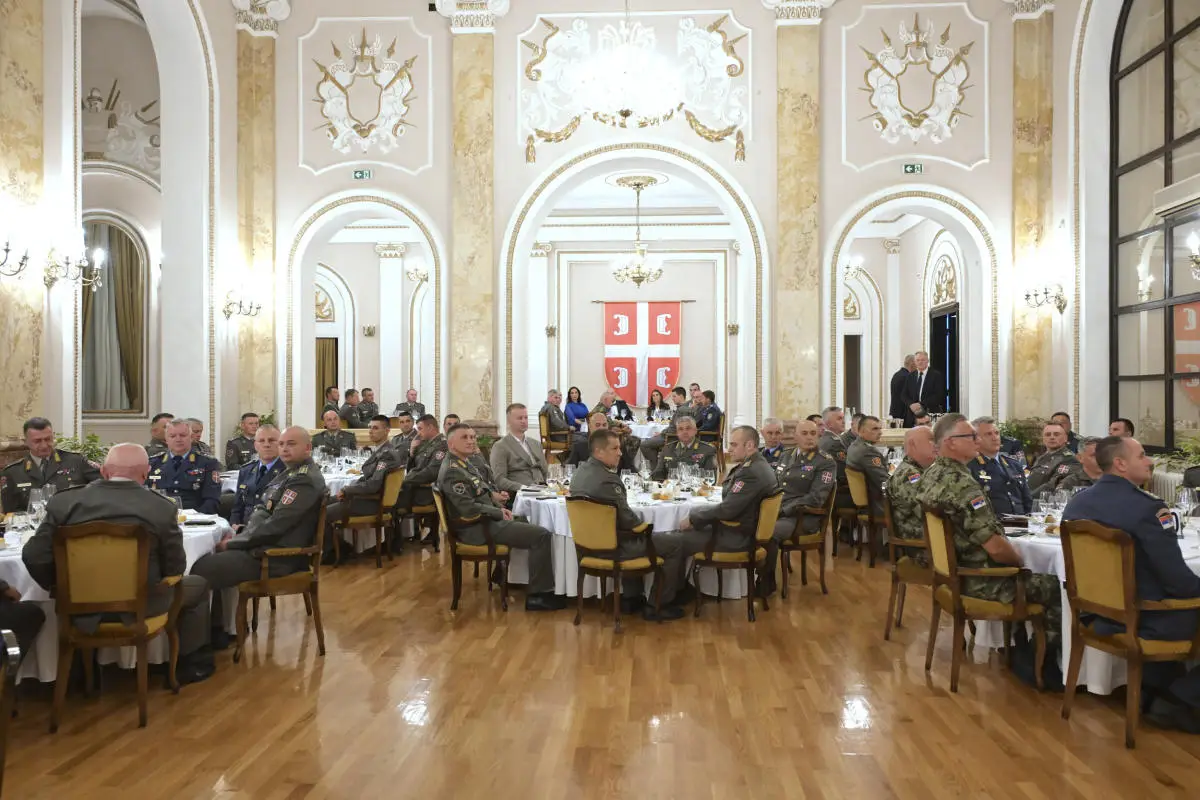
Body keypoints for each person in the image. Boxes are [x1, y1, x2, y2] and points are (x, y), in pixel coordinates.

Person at [24, 443, 213, 682]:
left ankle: (80, 672)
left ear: (103, 471)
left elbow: (34, 555)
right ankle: (189, 665)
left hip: (78, 608)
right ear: (145, 474)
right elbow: (175, 568)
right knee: (198, 585)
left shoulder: (64, 503)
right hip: (144, 608)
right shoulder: (161, 507)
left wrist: (61, 588)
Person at [1063, 436, 1200, 733]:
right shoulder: (1147, 509)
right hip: (1145, 619)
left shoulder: (1077, 503)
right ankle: (1179, 699)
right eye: (1142, 456)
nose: (1149, 461)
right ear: (1120, 464)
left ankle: (1155, 691)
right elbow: (1177, 582)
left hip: (1096, 615)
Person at [917, 414, 1062, 639]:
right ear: (950, 443)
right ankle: (1041, 653)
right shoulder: (963, 484)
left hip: (951, 575)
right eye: (970, 436)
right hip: (981, 580)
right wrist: (1022, 562)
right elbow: (996, 548)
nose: (977, 440)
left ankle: (1018, 645)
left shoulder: (931, 474)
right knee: (1060, 586)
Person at [190, 427, 327, 642]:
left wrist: (234, 543)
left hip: (277, 557)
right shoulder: (291, 473)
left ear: (308, 448)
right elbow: (264, 510)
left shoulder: (304, 480)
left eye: (291, 444)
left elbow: (276, 525)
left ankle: (198, 644)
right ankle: (217, 631)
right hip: (263, 548)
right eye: (282, 444)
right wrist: (242, 534)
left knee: (200, 570)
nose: (284, 449)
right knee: (208, 562)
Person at [437, 424, 566, 611]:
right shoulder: (453, 470)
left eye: (472, 437)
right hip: (476, 528)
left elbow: (478, 491)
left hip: (485, 520)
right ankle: (538, 596)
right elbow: (467, 509)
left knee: (527, 521)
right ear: (451, 444)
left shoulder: (463, 463)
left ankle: (502, 575)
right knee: (541, 535)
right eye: (465, 437)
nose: (471, 441)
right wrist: (498, 512)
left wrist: (495, 500)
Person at [569, 429, 687, 621]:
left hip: (587, 546)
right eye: (615, 448)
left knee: (629, 533)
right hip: (614, 549)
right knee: (675, 542)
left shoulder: (580, 472)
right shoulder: (608, 480)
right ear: (599, 452)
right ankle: (658, 604)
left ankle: (631, 597)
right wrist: (646, 528)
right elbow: (629, 520)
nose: (620, 453)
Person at [678, 427, 777, 574]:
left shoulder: (750, 472)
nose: (729, 449)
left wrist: (693, 518)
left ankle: (674, 588)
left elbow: (727, 510)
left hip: (737, 538)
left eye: (734, 445)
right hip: (743, 531)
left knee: (671, 541)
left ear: (749, 445)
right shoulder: (758, 464)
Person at [758, 419, 835, 595]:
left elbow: (816, 498)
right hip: (780, 512)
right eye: (805, 433)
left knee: (768, 533)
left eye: (813, 433)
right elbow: (775, 486)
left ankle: (766, 581)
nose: (809, 437)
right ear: (795, 436)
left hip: (803, 517)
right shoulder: (787, 455)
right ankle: (748, 577)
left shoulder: (825, 462)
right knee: (749, 524)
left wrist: (783, 510)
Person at [326, 416, 405, 556]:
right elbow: (368, 478)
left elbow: (373, 485)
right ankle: (337, 547)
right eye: (370, 427)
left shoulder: (387, 454)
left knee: (324, 513)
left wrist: (347, 490)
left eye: (375, 428)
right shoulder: (381, 450)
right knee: (323, 501)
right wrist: (350, 490)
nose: (370, 431)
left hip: (373, 503)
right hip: (366, 498)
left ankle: (334, 552)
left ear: (387, 431)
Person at [1, 417, 100, 513]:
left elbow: (102, 487)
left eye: (48, 439)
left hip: (72, 522)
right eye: (37, 441)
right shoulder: (12, 472)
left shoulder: (76, 461)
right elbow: (11, 514)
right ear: (26, 442)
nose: (44, 445)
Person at [885, 425, 938, 567]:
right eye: (931, 440)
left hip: (930, 538)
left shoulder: (917, 470)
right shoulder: (909, 475)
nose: (936, 445)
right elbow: (929, 513)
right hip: (922, 546)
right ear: (913, 444)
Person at [146, 419, 222, 514]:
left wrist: (197, 517)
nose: (178, 439)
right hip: (161, 517)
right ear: (166, 439)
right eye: (172, 436)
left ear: (191, 437)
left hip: (197, 518)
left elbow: (212, 499)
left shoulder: (207, 463)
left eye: (182, 435)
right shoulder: (154, 463)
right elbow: (145, 496)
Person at [398, 414, 448, 544]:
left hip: (426, 492)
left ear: (430, 427)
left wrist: (405, 480)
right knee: (389, 495)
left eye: (420, 429)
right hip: (415, 487)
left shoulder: (442, 445)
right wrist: (412, 451)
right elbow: (413, 467)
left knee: (389, 500)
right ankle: (402, 535)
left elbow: (431, 472)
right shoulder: (424, 443)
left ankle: (395, 540)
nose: (418, 433)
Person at [971, 416, 1033, 516]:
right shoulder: (971, 467)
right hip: (993, 522)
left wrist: (1029, 521)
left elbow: (1027, 500)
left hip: (1022, 522)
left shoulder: (1014, 465)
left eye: (996, 433)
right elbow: (975, 503)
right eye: (988, 434)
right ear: (976, 439)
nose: (994, 437)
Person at [230, 425, 286, 530]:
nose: (266, 444)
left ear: (280, 444)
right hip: (242, 530)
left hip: (267, 531)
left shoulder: (287, 471)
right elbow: (237, 507)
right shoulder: (246, 471)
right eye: (261, 441)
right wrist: (234, 525)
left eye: (271, 440)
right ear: (255, 445)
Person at [490, 403, 549, 494]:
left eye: (526, 418)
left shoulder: (536, 444)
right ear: (509, 421)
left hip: (543, 492)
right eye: (519, 418)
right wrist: (524, 488)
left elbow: (545, 472)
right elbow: (499, 480)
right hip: (519, 494)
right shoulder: (500, 446)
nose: (524, 421)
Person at [639, 387, 693, 464]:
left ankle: (656, 467)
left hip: (671, 437)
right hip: (668, 434)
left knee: (644, 445)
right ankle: (657, 467)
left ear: (681, 396)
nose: (672, 399)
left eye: (674, 396)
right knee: (651, 443)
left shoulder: (682, 409)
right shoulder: (683, 408)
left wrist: (663, 433)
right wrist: (662, 432)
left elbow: (676, 428)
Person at [846, 416, 888, 515]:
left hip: (869, 503)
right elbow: (883, 481)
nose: (880, 432)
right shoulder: (868, 451)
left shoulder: (854, 446)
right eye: (875, 429)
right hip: (878, 504)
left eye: (880, 428)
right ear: (861, 431)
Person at [651, 417, 716, 481]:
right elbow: (658, 473)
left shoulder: (707, 450)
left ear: (695, 431)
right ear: (677, 433)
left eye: (688, 428)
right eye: (680, 429)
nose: (684, 432)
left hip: (695, 487)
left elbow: (710, 478)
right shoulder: (667, 448)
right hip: (671, 487)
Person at [1027, 421, 1081, 494]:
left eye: (1056, 434)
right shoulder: (1041, 457)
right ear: (1043, 439)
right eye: (1048, 434)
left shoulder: (1070, 459)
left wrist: (1028, 498)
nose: (1052, 437)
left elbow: (1053, 486)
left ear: (1065, 438)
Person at [819, 406, 852, 509]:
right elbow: (844, 472)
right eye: (839, 419)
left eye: (843, 418)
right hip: (835, 494)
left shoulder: (822, 439)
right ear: (829, 424)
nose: (843, 422)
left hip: (824, 490)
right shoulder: (834, 443)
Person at [901, 351, 945, 426]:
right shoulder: (910, 376)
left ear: (927, 361)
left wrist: (921, 404)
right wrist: (911, 404)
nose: (920, 362)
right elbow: (904, 395)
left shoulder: (936, 375)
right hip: (912, 415)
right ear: (915, 362)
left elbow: (939, 395)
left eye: (922, 360)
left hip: (930, 413)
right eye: (918, 360)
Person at [890, 354, 916, 421]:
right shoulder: (907, 377)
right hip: (905, 413)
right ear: (912, 364)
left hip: (896, 411)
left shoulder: (897, 374)